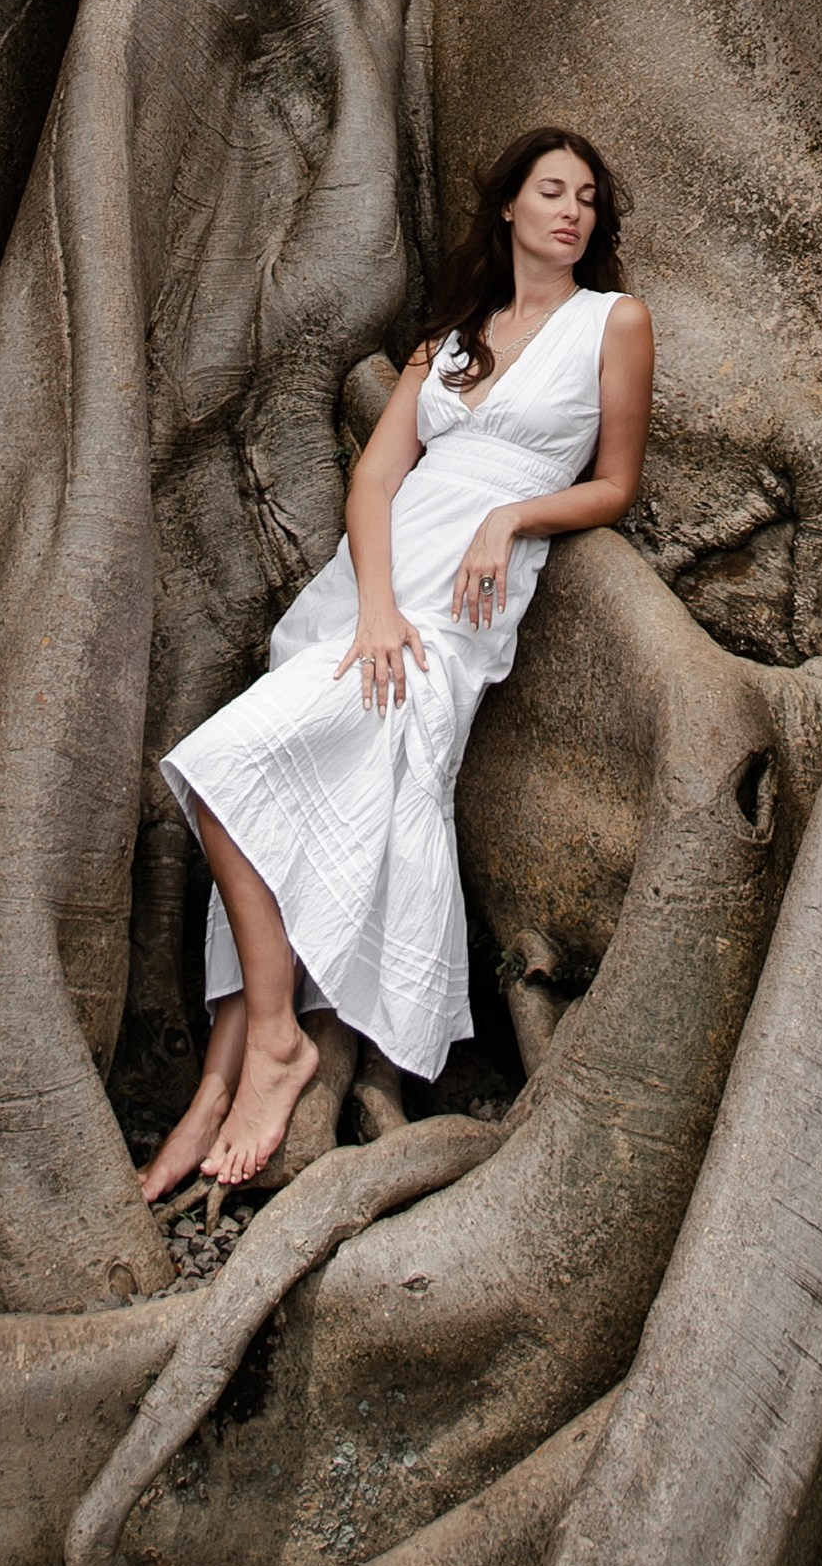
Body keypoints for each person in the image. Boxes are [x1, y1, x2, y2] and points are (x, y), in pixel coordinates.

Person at [146, 128, 656, 1200]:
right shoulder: (447, 342)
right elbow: (373, 483)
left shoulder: (612, 322)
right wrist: (372, 606)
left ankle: (278, 1043)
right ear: (508, 206)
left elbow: (614, 484)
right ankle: (220, 1077)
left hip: (452, 612)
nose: (572, 211)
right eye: (551, 191)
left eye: (587, 198)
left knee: (227, 772)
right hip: (371, 597)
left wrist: (513, 516)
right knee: (257, 792)